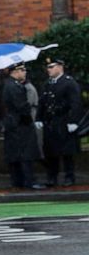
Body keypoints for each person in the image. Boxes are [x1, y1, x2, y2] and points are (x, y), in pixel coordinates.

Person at [38, 58, 82, 187]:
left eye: (51, 67)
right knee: (51, 151)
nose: (49, 70)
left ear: (60, 67)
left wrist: (73, 121)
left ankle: (69, 177)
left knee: (67, 152)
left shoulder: (69, 83)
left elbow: (76, 103)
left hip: (64, 120)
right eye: (48, 67)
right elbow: (43, 102)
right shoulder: (48, 83)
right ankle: (52, 177)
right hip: (51, 121)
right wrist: (39, 118)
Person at [1, 63, 44, 190]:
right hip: (20, 124)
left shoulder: (10, 85)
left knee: (16, 154)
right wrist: (28, 118)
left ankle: (18, 181)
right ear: (15, 72)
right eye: (22, 70)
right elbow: (22, 106)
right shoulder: (14, 87)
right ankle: (28, 181)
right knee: (25, 154)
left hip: (14, 123)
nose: (24, 73)